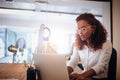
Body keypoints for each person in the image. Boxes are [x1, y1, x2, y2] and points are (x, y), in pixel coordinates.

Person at [67, 13, 112, 80]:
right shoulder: (78, 44)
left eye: (83, 29)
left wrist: (83, 75)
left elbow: (101, 66)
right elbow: (73, 60)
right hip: (86, 78)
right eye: (78, 29)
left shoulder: (106, 43)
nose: (80, 32)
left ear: (93, 28)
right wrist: (67, 70)